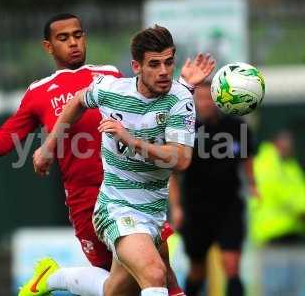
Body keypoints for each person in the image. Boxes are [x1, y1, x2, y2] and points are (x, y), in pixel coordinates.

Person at [0, 14, 213, 294]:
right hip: (92, 199)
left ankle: (52, 277)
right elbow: (2, 142)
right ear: (48, 46)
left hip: (142, 193)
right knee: (147, 276)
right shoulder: (39, 93)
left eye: (78, 35)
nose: (73, 43)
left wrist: (183, 87)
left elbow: (149, 106)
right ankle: (54, 278)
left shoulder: (108, 75)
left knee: (138, 282)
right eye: (64, 37)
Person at [26, 24, 210, 296]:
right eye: (154, 64)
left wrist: (131, 140)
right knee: (155, 273)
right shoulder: (111, 90)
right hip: (116, 207)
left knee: (114, 290)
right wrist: (49, 146)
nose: (163, 72)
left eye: (168, 63)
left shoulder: (181, 97)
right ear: (136, 67)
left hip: (154, 214)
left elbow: (180, 159)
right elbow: (77, 102)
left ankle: (52, 278)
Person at [171, 81, 257, 296]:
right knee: (198, 271)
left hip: (229, 206)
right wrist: (176, 207)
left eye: (209, 98)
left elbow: (247, 158)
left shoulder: (237, 126)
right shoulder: (186, 130)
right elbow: (173, 173)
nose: (205, 103)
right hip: (196, 208)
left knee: (231, 265)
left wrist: (253, 184)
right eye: (200, 98)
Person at [250, 130, 305, 245]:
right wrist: (301, 209)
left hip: (292, 231)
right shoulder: (266, 162)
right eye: (286, 142)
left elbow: (300, 191)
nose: (289, 145)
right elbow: (281, 191)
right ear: (276, 142)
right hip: (272, 233)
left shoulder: (290, 165)